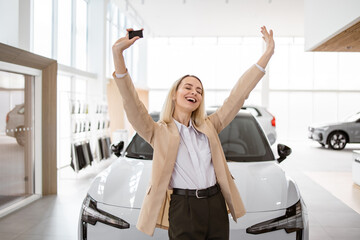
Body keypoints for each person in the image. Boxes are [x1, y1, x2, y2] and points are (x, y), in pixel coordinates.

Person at [112, 26, 275, 240]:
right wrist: (118, 55)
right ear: (174, 95)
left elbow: (239, 95)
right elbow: (132, 103)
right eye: (188, 87)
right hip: (183, 208)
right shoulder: (157, 131)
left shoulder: (210, 126)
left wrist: (267, 54)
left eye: (199, 91)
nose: (194, 92)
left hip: (215, 203)